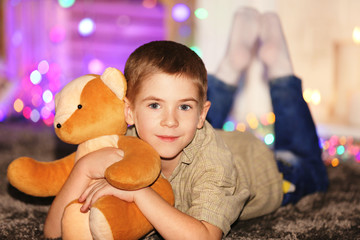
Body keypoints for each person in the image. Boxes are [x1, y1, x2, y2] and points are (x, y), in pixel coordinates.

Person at [43, 8, 328, 239]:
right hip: (208, 136)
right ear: (128, 112)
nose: (169, 120)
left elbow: (203, 236)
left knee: (310, 165)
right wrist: (84, 167)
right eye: (154, 105)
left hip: (271, 170)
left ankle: (280, 69)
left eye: (185, 107)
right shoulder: (124, 137)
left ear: (202, 113)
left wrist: (138, 193)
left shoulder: (213, 165)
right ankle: (231, 64)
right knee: (183, 112)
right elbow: (53, 231)